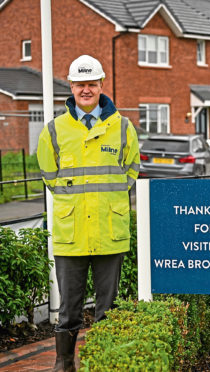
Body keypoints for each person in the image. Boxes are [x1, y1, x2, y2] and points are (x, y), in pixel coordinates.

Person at [37, 55, 140, 371]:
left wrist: (108, 200)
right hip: (73, 234)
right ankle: (64, 364)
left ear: (101, 85)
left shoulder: (122, 127)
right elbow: (48, 173)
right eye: (80, 84)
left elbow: (131, 169)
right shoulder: (54, 130)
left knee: (108, 308)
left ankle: (102, 363)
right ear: (71, 86)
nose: (86, 89)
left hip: (109, 232)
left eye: (91, 84)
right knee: (69, 308)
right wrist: (72, 200)